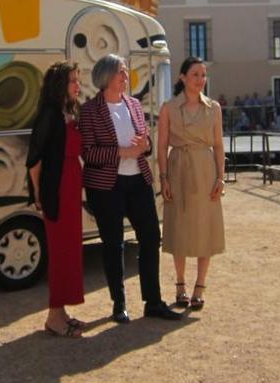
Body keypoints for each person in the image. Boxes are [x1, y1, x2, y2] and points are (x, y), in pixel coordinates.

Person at [79, 54, 181, 323]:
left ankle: (154, 302)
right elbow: (88, 153)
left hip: (138, 182)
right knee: (113, 244)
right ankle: (119, 304)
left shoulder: (134, 104)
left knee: (150, 238)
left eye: (125, 72)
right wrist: (124, 151)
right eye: (122, 72)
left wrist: (144, 145)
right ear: (107, 77)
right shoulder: (89, 110)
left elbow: (146, 140)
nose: (126, 77)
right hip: (106, 187)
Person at [158, 57, 226, 311]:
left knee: (205, 226)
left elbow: (219, 145)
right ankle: (179, 284)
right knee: (179, 226)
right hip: (178, 169)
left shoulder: (214, 108)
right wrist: (163, 178)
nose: (200, 80)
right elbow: (162, 146)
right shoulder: (168, 108)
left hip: (206, 169)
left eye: (203, 75)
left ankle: (200, 286)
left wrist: (220, 177)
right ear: (182, 77)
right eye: (195, 74)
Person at [27, 62, 86, 337]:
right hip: (57, 191)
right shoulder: (49, 114)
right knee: (60, 254)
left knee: (71, 252)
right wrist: (38, 195)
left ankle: (62, 311)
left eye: (77, 80)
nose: (78, 85)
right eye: (73, 80)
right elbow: (34, 161)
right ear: (59, 84)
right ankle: (53, 316)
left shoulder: (69, 111)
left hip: (72, 188)